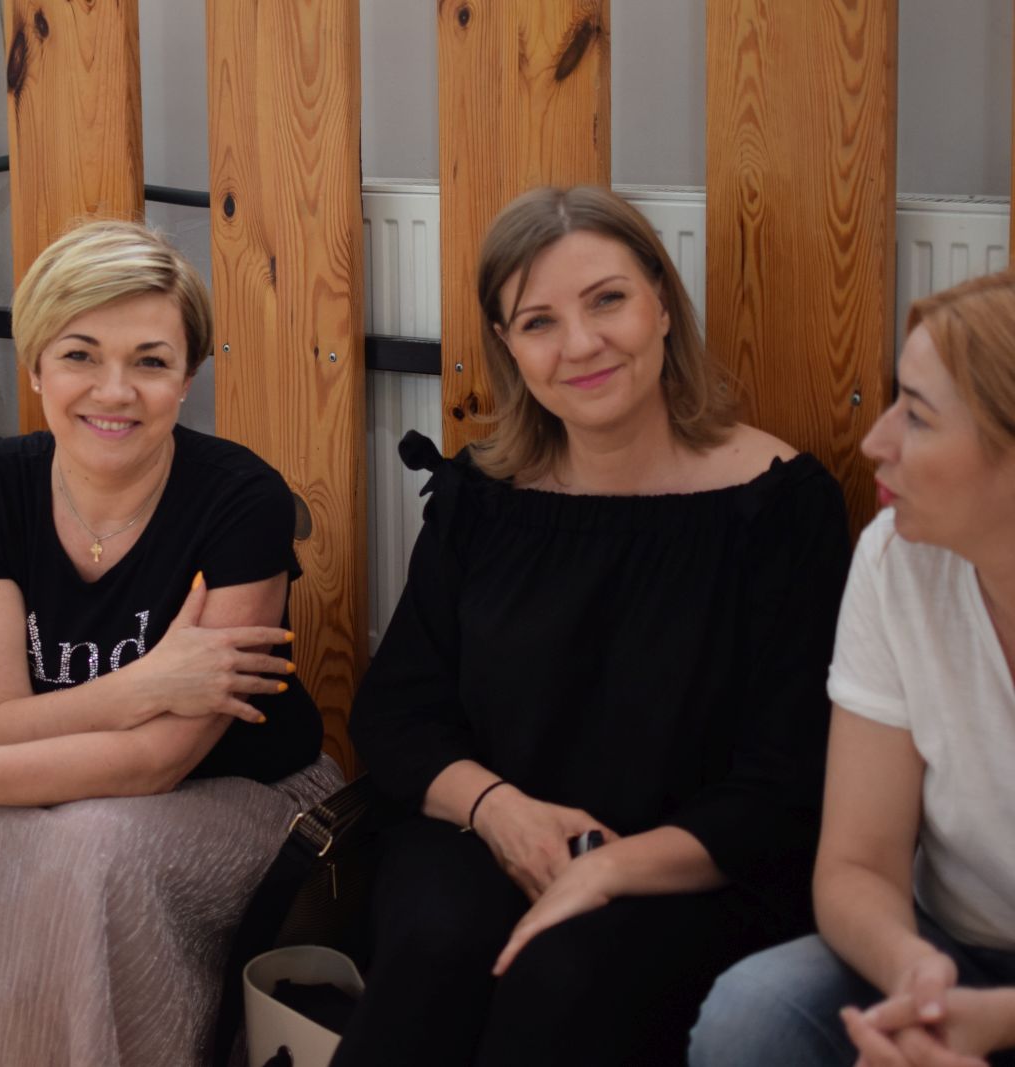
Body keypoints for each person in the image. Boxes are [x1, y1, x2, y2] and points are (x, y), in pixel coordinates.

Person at [0, 219, 342, 1066]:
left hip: (249, 790)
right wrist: (146, 682)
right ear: (36, 363)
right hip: (74, 775)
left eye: (150, 361)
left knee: (91, 845)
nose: (115, 391)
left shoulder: (240, 500)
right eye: (80, 354)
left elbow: (157, 762)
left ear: (186, 378)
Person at [329, 185, 852, 1066]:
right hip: (489, 835)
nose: (579, 344)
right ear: (508, 345)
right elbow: (400, 714)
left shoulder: (777, 507)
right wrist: (499, 813)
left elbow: (788, 778)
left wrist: (608, 867)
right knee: (436, 943)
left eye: (607, 300)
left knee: (562, 972)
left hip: (695, 868)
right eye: (539, 321)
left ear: (662, 303)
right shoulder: (482, 498)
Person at [690, 271, 1015, 1067]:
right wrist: (917, 986)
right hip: (950, 951)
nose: (876, 441)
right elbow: (857, 864)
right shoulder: (896, 557)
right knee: (751, 1018)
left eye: (919, 416)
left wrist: (998, 1019)